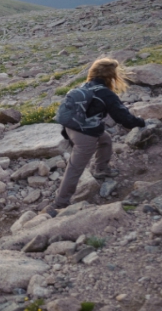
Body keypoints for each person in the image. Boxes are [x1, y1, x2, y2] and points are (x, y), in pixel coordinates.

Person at [42, 58, 145, 217]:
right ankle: (59, 204)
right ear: (111, 75)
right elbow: (122, 117)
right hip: (85, 135)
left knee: (105, 140)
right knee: (75, 168)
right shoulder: (105, 93)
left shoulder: (84, 86)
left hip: (71, 128)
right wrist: (140, 123)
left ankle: (101, 169)